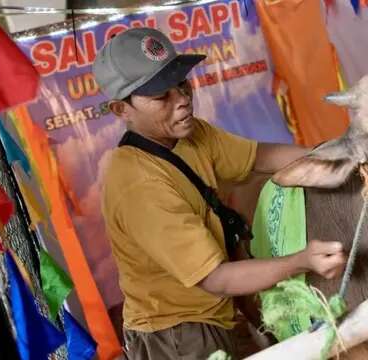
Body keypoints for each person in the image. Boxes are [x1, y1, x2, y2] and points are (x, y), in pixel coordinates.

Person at [93, 28, 346, 359]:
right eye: (160, 97)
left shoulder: (192, 134)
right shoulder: (138, 185)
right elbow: (216, 279)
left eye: (181, 84)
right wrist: (302, 261)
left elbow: (260, 157)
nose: (182, 99)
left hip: (218, 315)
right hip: (178, 335)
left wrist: (335, 155)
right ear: (120, 110)